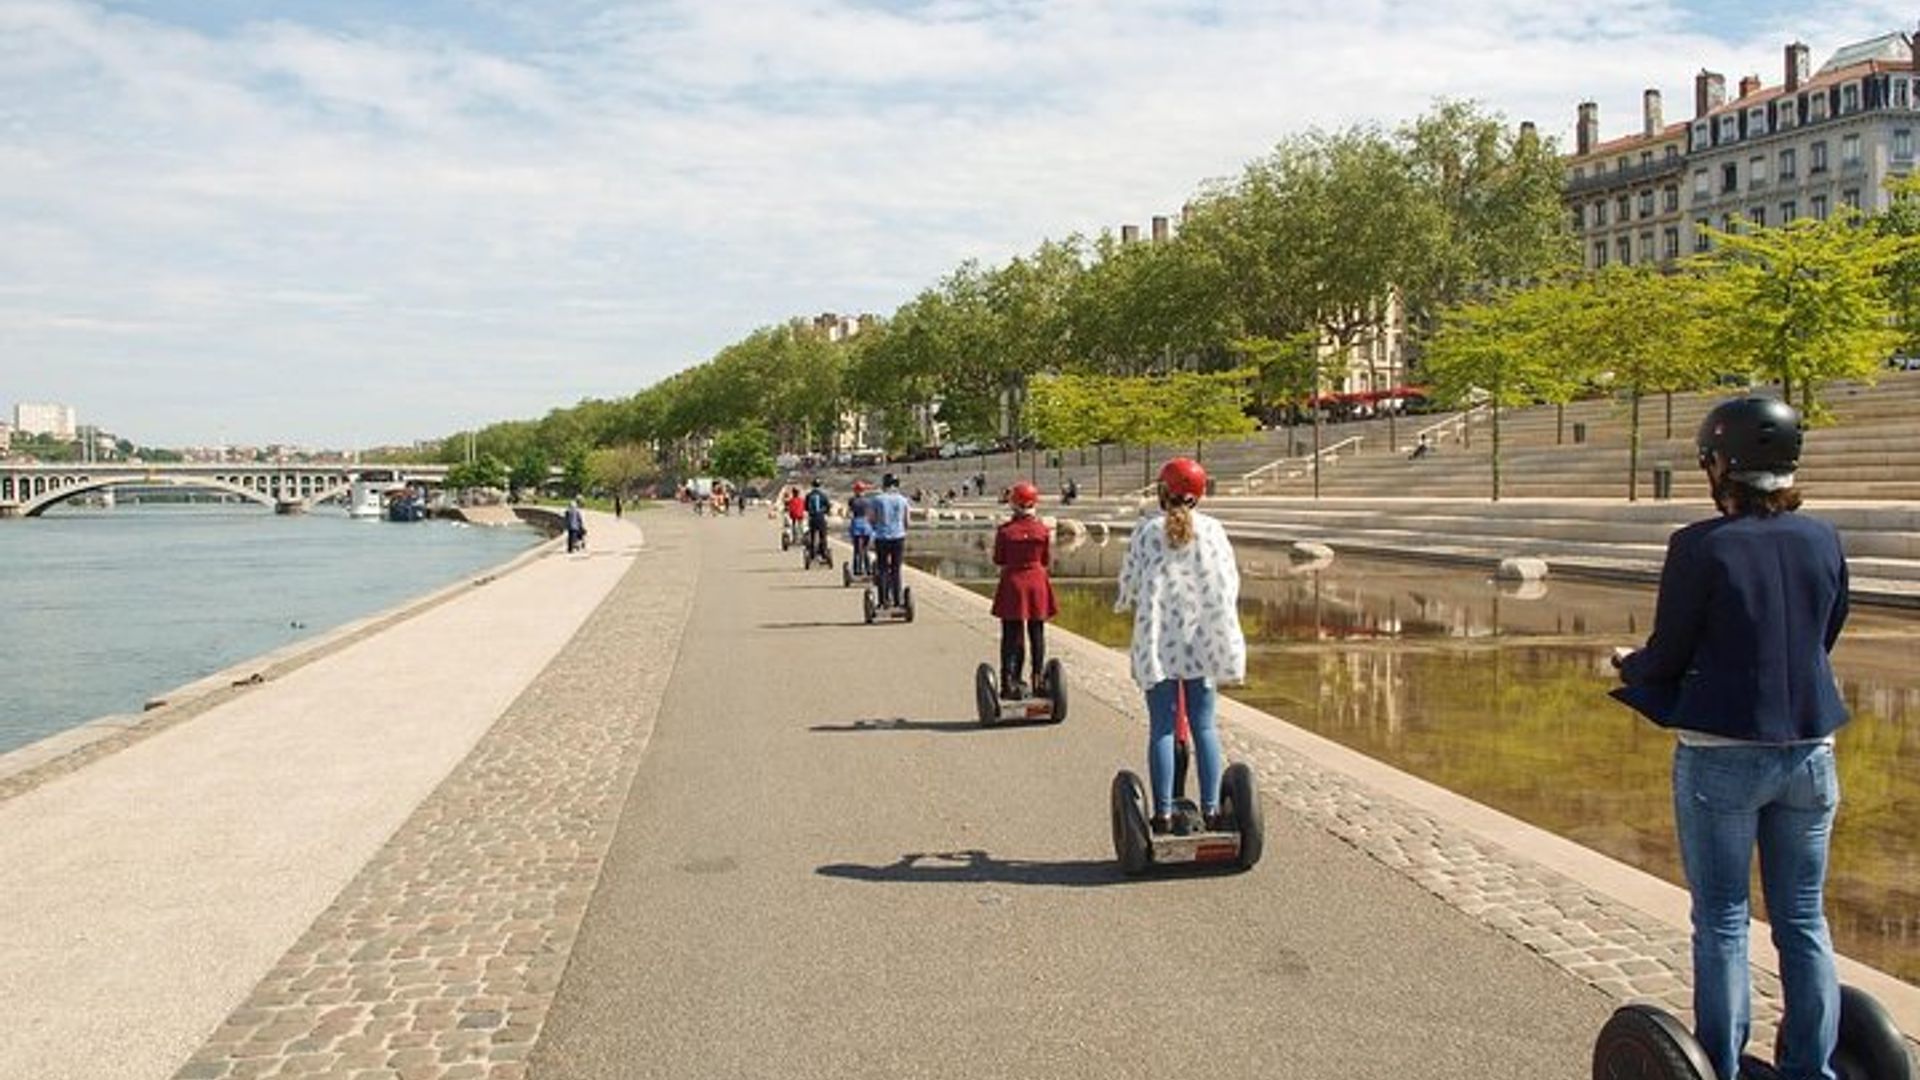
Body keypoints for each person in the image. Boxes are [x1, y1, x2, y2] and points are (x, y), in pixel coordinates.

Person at [1612, 397, 1848, 1080]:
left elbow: (1671, 650)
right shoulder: (1823, 538)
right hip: (1811, 752)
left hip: (1722, 755)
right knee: (1803, 917)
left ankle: (1720, 1065)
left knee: (1722, 917)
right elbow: (1826, 632)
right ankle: (1811, 1068)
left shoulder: (1699, 545)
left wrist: (1630, 665)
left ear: (1721, 465)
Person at [1114, 457, 1246, 836]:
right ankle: (1212, 811)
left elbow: (1129, 585)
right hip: (1202, 642)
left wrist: (1129, 601)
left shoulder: (1146, 532)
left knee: (1162, 728)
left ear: (1163, 491)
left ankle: (1164, 815)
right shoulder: (1214, 530)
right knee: (1204, 726)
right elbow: (1229, 583)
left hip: (1159, 643)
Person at [992, 481, 1057, 699]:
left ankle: (1010, 681)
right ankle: (1038, 680)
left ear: (1013, 504)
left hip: (1013, 583)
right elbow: (1045, 559)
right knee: (1037, 632)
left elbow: (999, 559)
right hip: (1037, 582)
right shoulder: (1042, 530)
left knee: (1012, 634)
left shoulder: (1006, 531)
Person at [868, 473, 912, 607]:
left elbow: (871, 519)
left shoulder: (877, 499)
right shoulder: (903, 500)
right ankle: (898, 600)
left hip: (882, 537)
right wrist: (901, 530)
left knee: (882, 568)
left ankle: (883, 600)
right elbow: (907, 521)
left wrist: (876, 527)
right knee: (896, 569)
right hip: (898, 537)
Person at [847, 480, 874, 576]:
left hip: (856, 525)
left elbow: (849, 513)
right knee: (866, 549)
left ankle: (857, 569)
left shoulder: (852, 500)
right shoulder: (868, 501)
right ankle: (868, 569)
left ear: (855, 490)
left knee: (857, 549)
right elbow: (871, 514)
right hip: (866, 525)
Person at [803, 479, 832, 564]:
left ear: (812, 486)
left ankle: (812, 554)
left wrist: (810, 511)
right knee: (823, 536)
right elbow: (828, 506)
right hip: (821, 518)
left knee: (812, 536)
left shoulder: (809, 495)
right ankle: (823, 553)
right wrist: (825, 512)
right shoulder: (823, 495)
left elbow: (806, 507)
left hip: (812, 518)